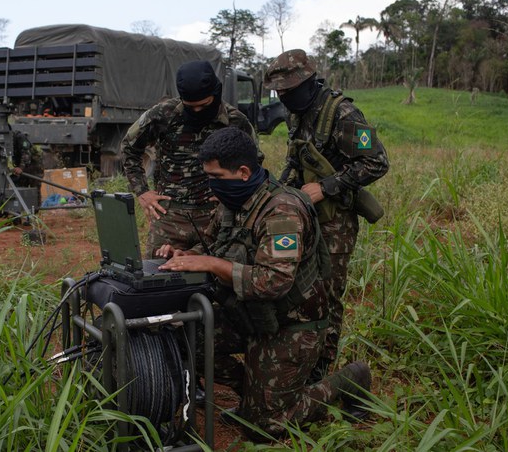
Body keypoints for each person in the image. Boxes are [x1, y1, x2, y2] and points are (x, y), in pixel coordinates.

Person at [156, 127, 371, 437]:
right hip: (249, 314)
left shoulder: (282, 211)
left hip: (291, 324)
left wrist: (212, 264)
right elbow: (214, 248)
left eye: (216, 177)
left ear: (243, 172)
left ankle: (349, 381)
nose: (211, 186)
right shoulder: (232, 203)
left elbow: (274, 282)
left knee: (265, 428)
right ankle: (258, 393)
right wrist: (185, 254)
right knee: (184, 340)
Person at [264, 49, 390, 379]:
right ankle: (300, 357)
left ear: (308, 82)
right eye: (279, 93)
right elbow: (296, 160)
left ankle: (321, 372)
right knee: (300, 288)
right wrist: (278, 193)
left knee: (329, 295)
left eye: (288, 91)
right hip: (305, 216)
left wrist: (326, 186)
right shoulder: (297, 114)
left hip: (336, 222)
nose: (283, 99)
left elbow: (377, 162)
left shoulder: (344, 114)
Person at [121, 60, 258, 258]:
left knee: (216, 277)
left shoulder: (236, 121)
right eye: (190, 107)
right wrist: (142, 192)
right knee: (156, 277)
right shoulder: (163, 114)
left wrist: (233, 194)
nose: (197, 112)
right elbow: (129, 148)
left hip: (217, 217)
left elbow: (254, 163)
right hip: (169, 218)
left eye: (204, 106)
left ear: (215, 93)